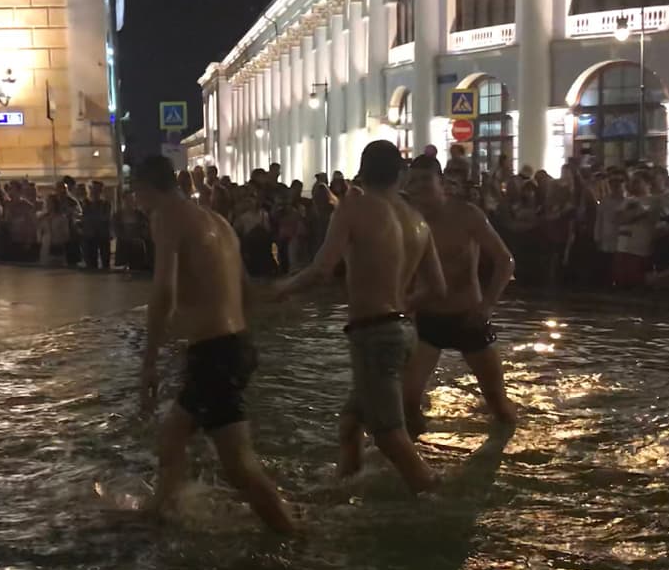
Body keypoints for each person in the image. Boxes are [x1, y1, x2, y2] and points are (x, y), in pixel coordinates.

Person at [135, 155, 296, 535]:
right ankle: (162, 510)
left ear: (143, 188)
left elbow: (163, 291)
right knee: (172, 435)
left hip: (215, 351)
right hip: (234, 344)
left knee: (237, 463)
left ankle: (292, 534)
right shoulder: (217, 221)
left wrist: (150, 359)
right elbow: (246, 291)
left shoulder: (167, 216)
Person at [275, 140, 448, 492]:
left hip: (374, 334)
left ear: (362, 170)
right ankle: (345, 485)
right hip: (402, 331)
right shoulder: (417, 220)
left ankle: (434, 494)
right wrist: (399, 306)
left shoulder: (354, 209)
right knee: (351, 422)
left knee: (388, 435)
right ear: (399, 175)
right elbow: (437, 287)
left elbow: (322, 269)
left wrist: (281, 290)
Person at [402, 155, 517, 437]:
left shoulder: (467, 215)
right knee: (407, 399)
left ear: (440, 182)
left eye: (424, 181)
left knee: (498, 404)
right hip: (429, 320)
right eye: (412, 182)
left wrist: (488, 305)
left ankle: (505, 450)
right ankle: (418, 459)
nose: (418, 188)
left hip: (469, 318)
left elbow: (505, 261)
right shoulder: (409, 221)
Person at [82, 180, 112, 269]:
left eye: (97, 189)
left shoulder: (106, 204)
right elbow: (84, 218)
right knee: (90, 263)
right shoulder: (85, 203)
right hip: (89, 236)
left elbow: (105, 218)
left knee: (105, 261)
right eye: (93, 189)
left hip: (103, 235)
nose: (94, 192)